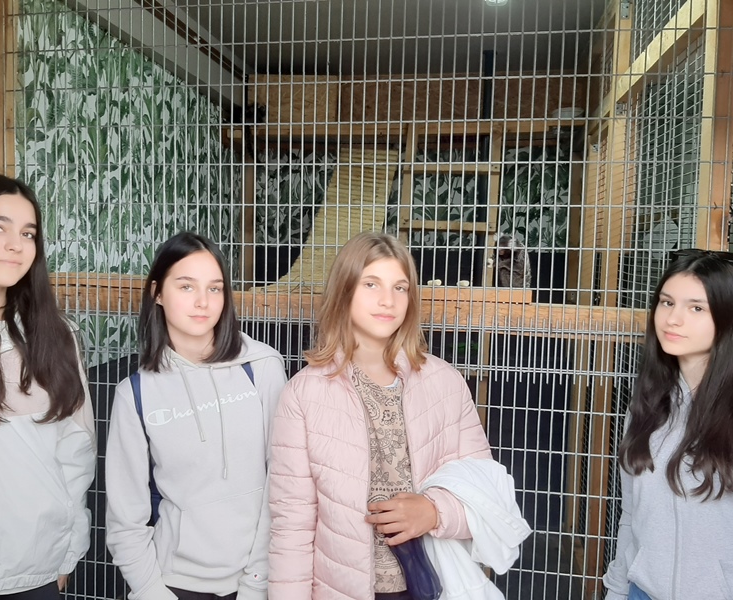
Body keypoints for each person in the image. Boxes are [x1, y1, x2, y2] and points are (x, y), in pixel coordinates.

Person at [268, 232, 497, 600]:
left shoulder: (445, 383)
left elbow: (486, 494)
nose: (388, 300)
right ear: (345, 291)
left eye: (400, 287)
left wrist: (434, 512)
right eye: (371, 284)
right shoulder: (303, 394)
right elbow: (291, 525)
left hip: (430, 584)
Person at [105, 232, 287, 600]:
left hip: (255, 581)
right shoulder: (135, 393)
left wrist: (257, 583)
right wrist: (151, 591)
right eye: (186, 286)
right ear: (157, 293)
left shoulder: (262, 367)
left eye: (215, 288)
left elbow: (282, 484)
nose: (203, 301)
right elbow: (125, 517)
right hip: (173, 583)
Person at [0, 173, 96, 600]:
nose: (16, 244)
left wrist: (68, 551)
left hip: (34, 572)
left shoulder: (56, 336)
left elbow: (76, 449)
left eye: (28, 233)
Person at [604, 250, 733, 600]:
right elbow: (631, 516)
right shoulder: (646, 408)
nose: (673, 319)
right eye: (666, 302)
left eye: (696, 308)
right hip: (642, 592)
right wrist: (616, 591)